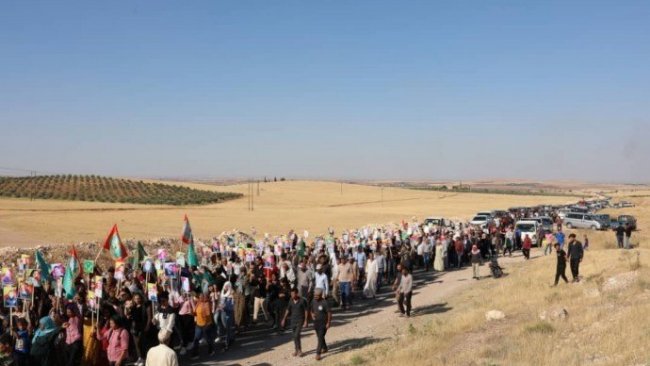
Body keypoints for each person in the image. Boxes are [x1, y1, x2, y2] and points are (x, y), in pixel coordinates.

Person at [281, 288, 308, 357]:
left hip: (300, 320)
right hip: (293, 320)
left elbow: (306, 311)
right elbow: (288, 310)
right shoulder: (290, 300)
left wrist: (305, 320)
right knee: (294, 336)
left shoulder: (302, 300)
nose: (292, 295)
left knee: (296, 335)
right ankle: (296, 350)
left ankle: (299, 350)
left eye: (293, 294)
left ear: (297, 293)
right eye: (291, 294)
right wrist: (284, 319)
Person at [191, 292, 214, 358]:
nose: (200, 298)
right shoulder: (198, 303)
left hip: (206, 325)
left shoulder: (207, 304)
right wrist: (192, 312)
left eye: (202, 297)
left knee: (208, 339)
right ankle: (195, 353)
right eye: (200, 297)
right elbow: (195, 313)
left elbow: (207, 314)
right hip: (198, 324)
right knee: (196, 339)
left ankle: (211, 349)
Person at [311, 288, 331, 361]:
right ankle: (325, 348)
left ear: (321, 295)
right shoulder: (313, 301)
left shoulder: (325, 302)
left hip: (323, 324)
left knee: (320, 338)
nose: (315, 296)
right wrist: (312, 314)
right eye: (314, 295)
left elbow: (329, 313)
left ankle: (318, 353)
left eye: (317, 295)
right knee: (320, 337)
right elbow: (311, 310)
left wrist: (328, 322)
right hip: (316, 323)